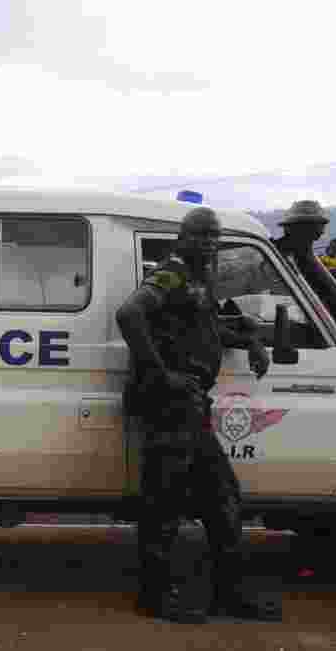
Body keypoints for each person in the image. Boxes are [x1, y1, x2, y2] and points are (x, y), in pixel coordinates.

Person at [116, 206, 281, 623]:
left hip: (191, 407)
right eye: (201, 235)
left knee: (224, 500)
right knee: (163, 504)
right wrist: (162, 374)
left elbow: (205, 330)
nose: (208, 242)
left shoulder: (200, 279)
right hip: (167, 405)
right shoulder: (171, 274)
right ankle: (154, 596)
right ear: (182, 239)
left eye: (214, 236)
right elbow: (129, 314)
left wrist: (251, 340)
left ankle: (229, 594)